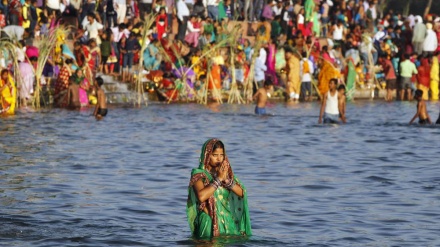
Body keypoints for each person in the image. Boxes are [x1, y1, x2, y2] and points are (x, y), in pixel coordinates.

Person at [187, 138, 252, 239]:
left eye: (221, 155)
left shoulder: (225, 174)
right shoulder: (199, 175)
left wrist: (227, 181)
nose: (219, 159)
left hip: (227, 223)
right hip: (208, 222)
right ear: (207, 155)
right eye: (215, 155)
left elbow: (242, 193)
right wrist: (218, 179)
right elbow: (201, 196)